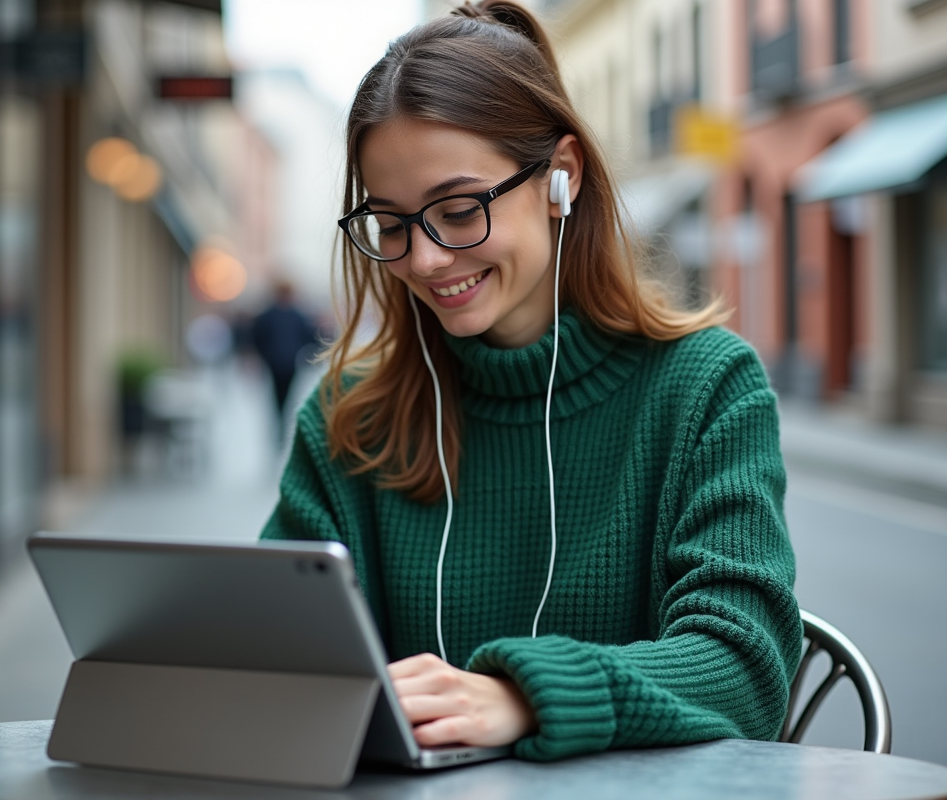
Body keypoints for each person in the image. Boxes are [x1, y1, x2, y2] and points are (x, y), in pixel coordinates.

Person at [260, 0, 802, 763]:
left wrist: (524, 695)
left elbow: (744, 666)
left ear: (561, 177)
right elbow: (275, 656)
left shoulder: (706, 388)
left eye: (458, 210)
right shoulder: (348, 416)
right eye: (392, 224)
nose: (424, 259)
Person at [250, 279, 319, 428]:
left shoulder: (267, 315)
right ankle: (282, 418)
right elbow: (309, 337)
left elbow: (257, 337)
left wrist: (263, 355)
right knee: (286, 395)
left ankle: (279, 418)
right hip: (290, 362)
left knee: (278, 394)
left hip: (274, 362)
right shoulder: (297, 315)